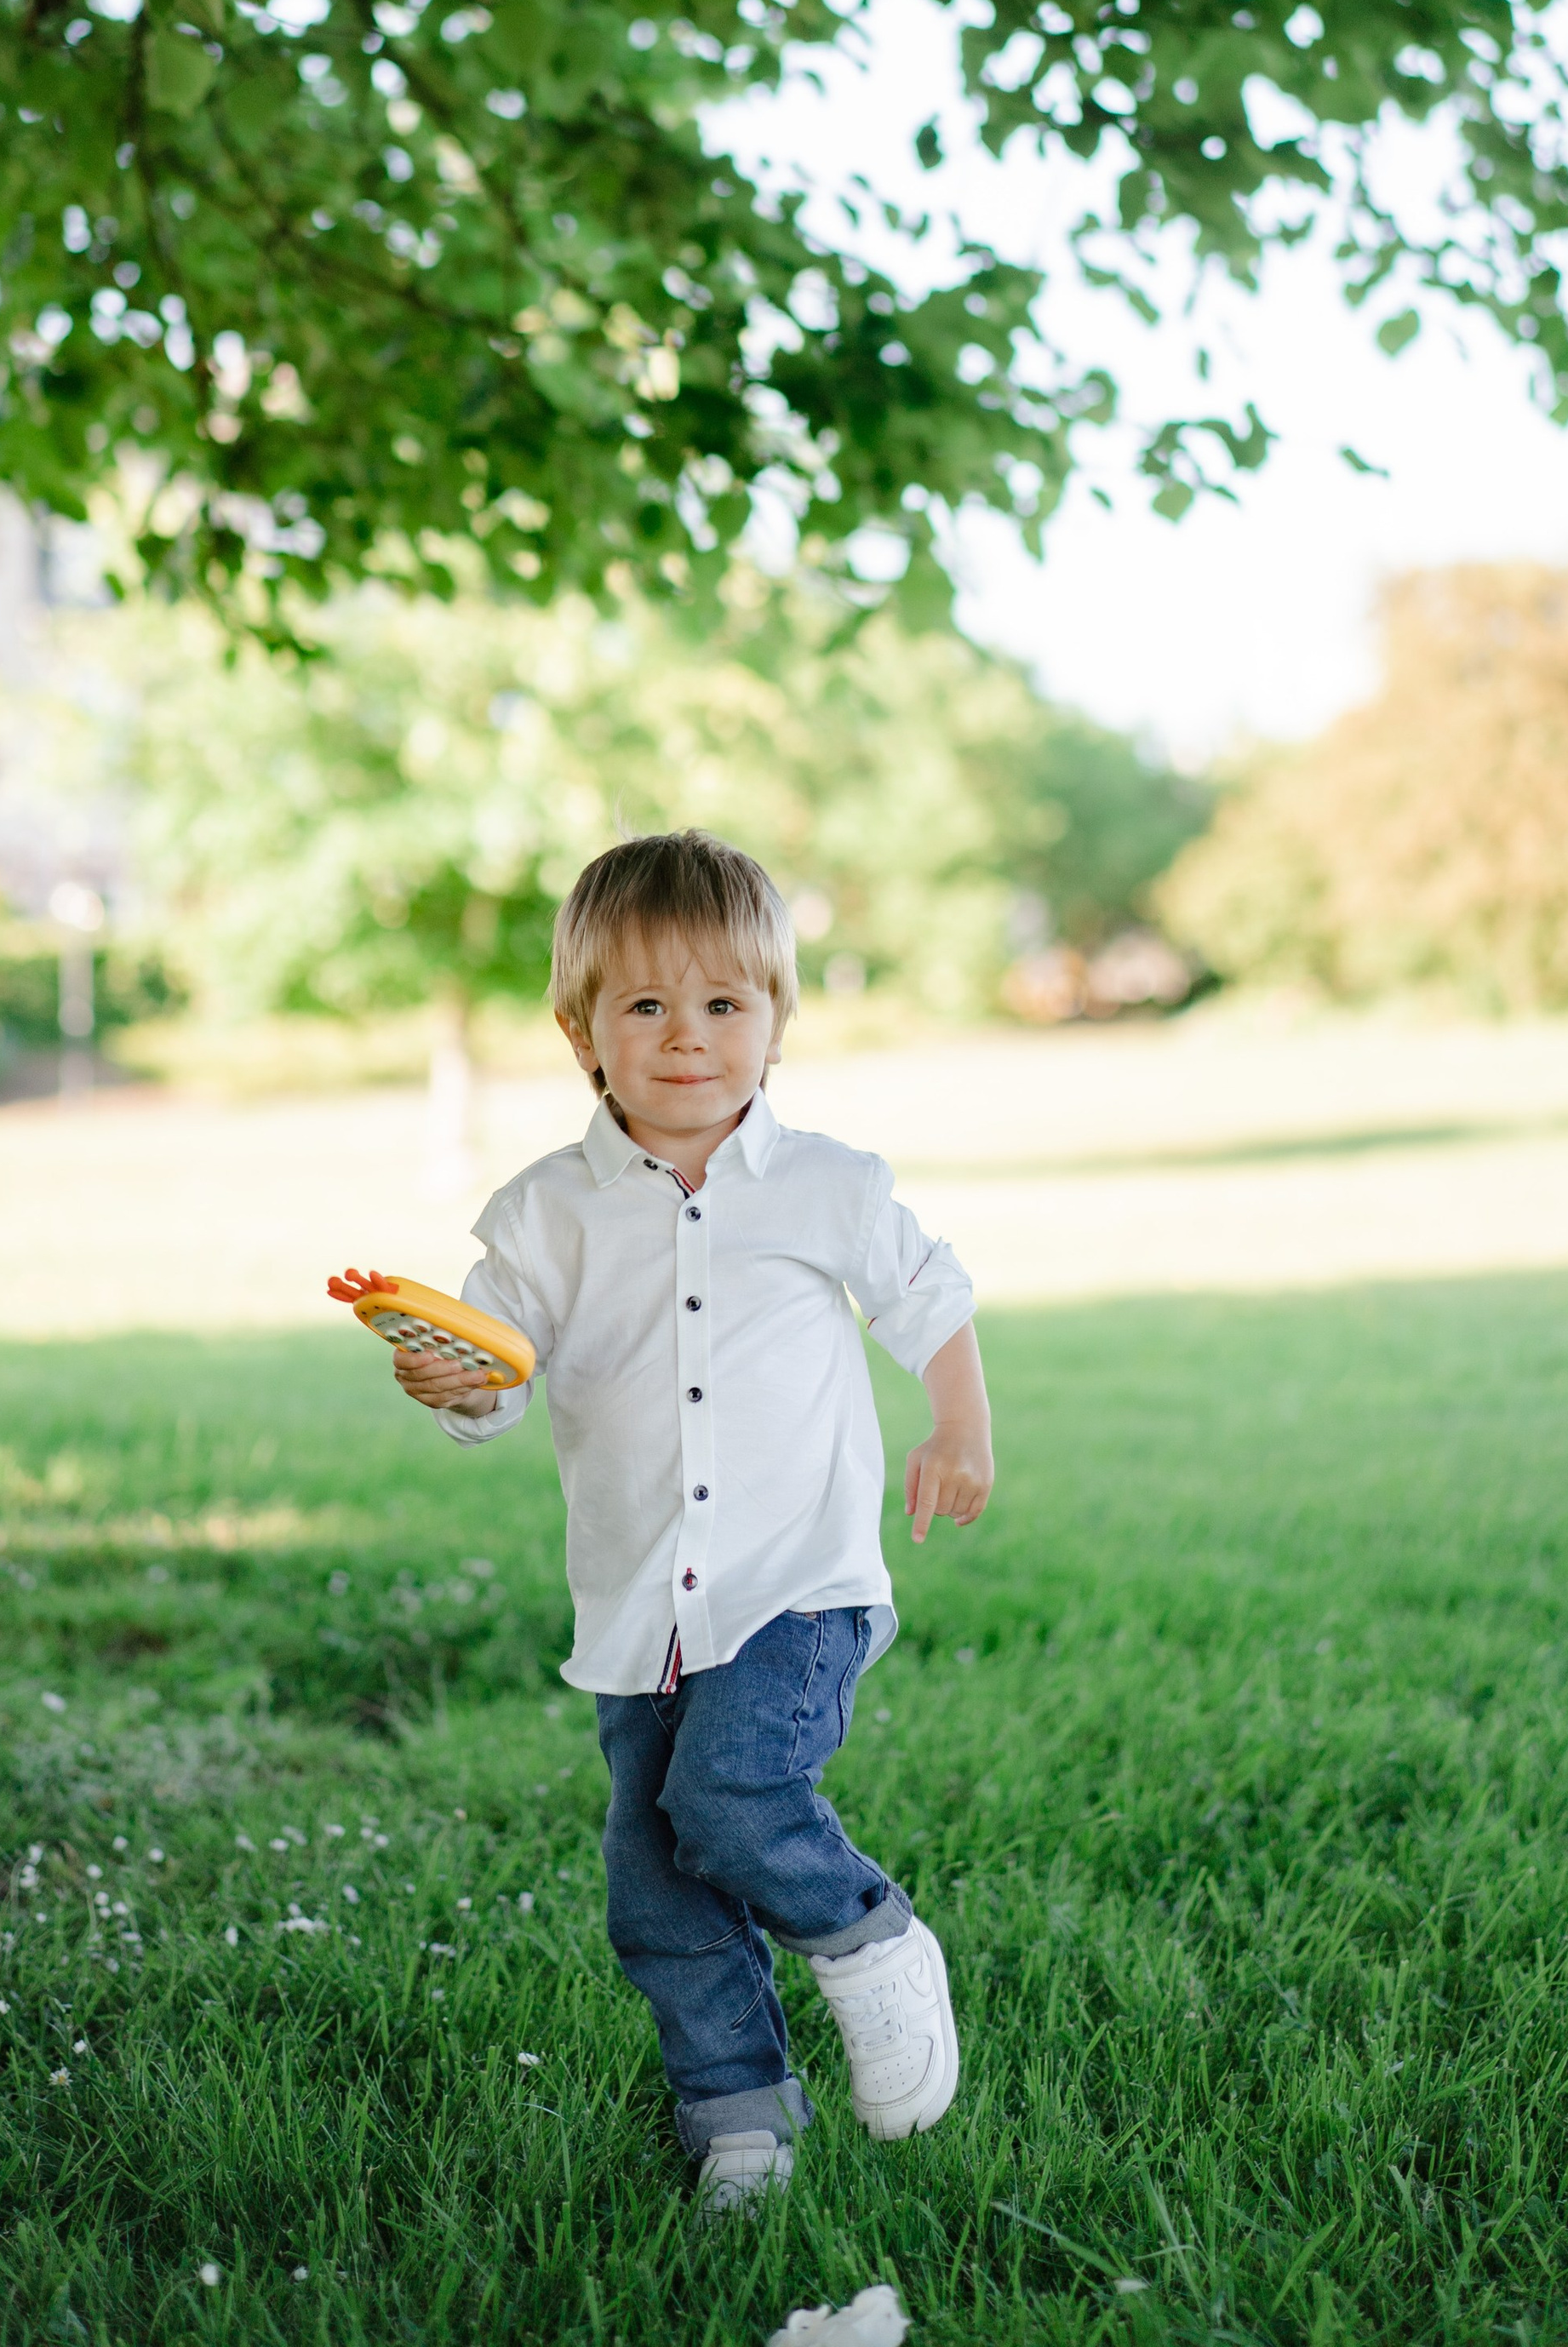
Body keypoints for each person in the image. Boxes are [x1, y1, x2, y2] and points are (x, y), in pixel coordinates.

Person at [351, 829, 994, 2212]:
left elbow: (931, 1300)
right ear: (580, 1031)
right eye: (645, 1004)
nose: (687, 1036)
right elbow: (497, 1371)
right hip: (642, 1604)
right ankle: (741, 2118)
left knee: (731, 1793)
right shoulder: (545, 1215)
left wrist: (959, 1430)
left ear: (777, 1019)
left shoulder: (828, 1185)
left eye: (723, 1003)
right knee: (654, 1885)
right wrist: (457, 1380)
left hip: (797, 1584)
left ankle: (870, 1940)